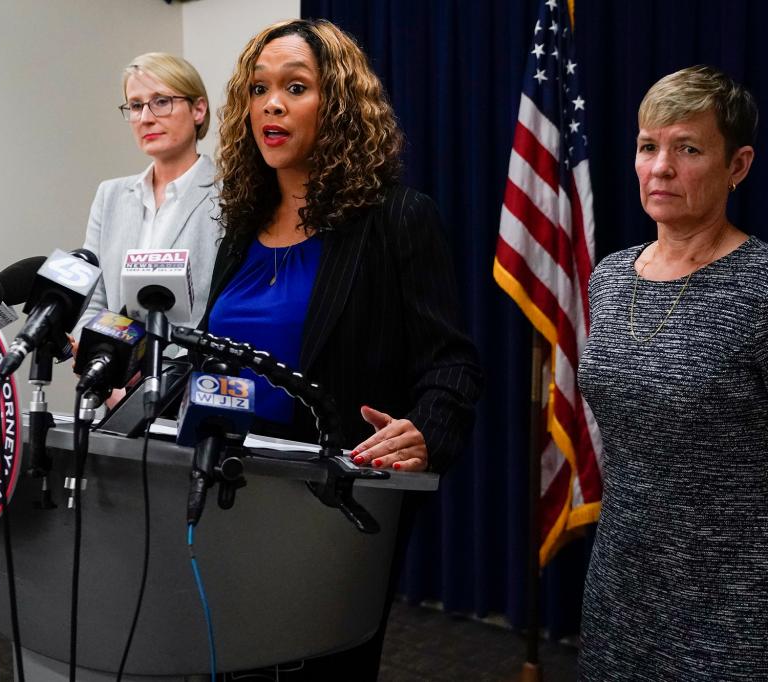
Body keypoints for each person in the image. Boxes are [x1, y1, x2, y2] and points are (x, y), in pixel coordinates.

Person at [203, 18, 482, 680]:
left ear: (338, 108)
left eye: (295, 87)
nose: (271, 103)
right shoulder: (240, 229)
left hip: (327, 505)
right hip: (227, 488)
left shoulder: (396, 220)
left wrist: (428, 430)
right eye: (259, 89)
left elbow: (453, 362)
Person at [576, 65, 768, 680]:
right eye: (648, 147)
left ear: (737, 165)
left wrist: (750, 539)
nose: (661, 168)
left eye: (688, 149)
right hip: (622, 586)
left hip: (737, 604)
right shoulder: (611, 277)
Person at [76, 52, 220, 340]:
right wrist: (100, 359)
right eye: (136, 105)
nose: (145, 118)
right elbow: (93, 296)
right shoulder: (110, 195)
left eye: (161, 102)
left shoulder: (229, 195)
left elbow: (225, 309)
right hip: (114, 377)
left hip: (191, 375)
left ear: (198, 110)